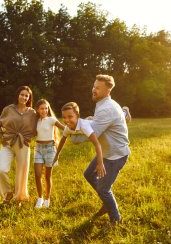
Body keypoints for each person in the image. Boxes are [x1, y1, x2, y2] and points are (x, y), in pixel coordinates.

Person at [70, 74, 131, 225]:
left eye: (98, 88)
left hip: (115, 156)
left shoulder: (107, 109)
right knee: (89, 174)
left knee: (104, 189)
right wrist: (92, 120)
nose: (94, 90)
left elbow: (93, 134)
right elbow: (98, 123)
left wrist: (73, 136)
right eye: (94, 86)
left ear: (107, 91)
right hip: (106, 152)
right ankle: (107, 202)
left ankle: (116, 219)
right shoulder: (104, 104)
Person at [0, 86, 37, 204]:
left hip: (23, 144)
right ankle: (8, 193)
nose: (24, 97)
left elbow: (37, 127)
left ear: (29, 98)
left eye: (26, 96)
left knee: (22, 173)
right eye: (22, 94)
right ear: (17, 95)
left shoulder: (32, 113)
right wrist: (1, 136)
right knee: (0, 170)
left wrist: (28, 138)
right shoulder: (8, 109)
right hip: (7, 143)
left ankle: (19, 197)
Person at [53, 102, 106, 184]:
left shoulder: (84, 126)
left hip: (96, 125)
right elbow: (63, 140)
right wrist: (57, 155)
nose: (66, 120)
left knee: (109, 122)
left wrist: (100, 163)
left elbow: (97, 144)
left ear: (77, 116)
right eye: (64, 117)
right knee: (74, 140)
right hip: (86, 125)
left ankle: (124, 113)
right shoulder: (67, 128)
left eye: (70, 117)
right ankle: (90, 119)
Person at [34, 99, 65, 208]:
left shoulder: (51, 119)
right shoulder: (36, 121)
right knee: (37, 175)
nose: (44, 110)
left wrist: (76, 128)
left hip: (50, 149)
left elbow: (63, 128)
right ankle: (40, 198)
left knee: (47, 176)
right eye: (42, 108)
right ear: (37, 110)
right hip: (38, 148)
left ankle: (47, 199)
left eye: (46, 108)